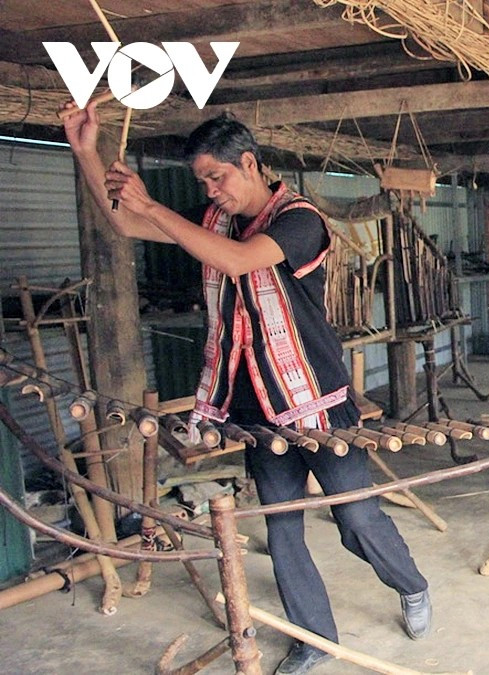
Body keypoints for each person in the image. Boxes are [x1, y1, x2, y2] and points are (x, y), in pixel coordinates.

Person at [61, 100, 432, 674]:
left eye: (218, 176)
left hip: (318, 403)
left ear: (251, 163)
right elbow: (124, 221)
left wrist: (153, 204)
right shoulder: (215, 220)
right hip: (257, 407)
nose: (211, 190)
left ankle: (410, 584)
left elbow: (239, 263)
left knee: (356, 518)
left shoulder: (300, 220)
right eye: (202, 181)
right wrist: (86, 152)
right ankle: (314, 640)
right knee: (282, 528)